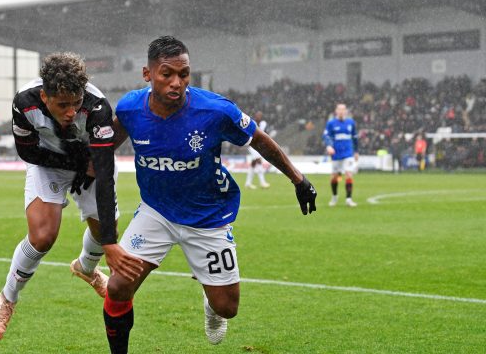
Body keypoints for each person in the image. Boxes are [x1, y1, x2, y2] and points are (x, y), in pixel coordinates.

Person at [101, 36, 317, 353]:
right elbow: (105, 148)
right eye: (167, 74)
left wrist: (298, 179)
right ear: (148, 75)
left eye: (184, 74)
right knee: (118, 287)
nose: (177, 83)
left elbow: (258, 139)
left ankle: (210, 299)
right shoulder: (130, 109)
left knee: (227, 307)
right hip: (155, 212)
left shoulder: (214, 111)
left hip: (208, 216)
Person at [0, 52, 133, 342]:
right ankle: (6, 299)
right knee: (42, 236)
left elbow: (102, 170)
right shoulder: (24, 102)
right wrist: (72, 161)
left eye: (76, 103)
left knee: (105, 229)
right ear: (44, 95)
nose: (70, 112)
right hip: (49, 163)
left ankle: (86, 269)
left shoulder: (97, 107)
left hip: (91, 163)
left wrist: (111, 241)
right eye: (62, 105)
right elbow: (27, 151)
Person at [322, 103, 358, 207]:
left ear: (346, 111)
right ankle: (334, 196)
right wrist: (329, 146)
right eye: (339, 109)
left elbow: (355, 137)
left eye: (343, 109)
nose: (341, 111)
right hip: (336, 153)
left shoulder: (351, 123)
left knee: (348, 174)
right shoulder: (331, 123)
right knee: (335, 177)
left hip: (348, 153)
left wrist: (356, 151)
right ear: (336, 111)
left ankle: (349, 199)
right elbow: (326, 136)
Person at [244, 110, 271, 189]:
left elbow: (266, 134)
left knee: (253, 163)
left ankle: (248, 183)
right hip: (252, 145)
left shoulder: (264, 124)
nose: (258, 116)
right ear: (255, 116)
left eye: (260, 115)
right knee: (259, 160)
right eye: (257, 115)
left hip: (259, 146)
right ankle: (262, 182)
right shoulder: (251, 122)